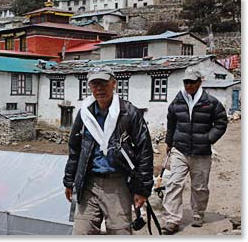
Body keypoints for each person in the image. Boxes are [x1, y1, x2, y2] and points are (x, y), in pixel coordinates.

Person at [63, 66, 154, 235]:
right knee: (81, 232)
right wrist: (69, 181)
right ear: (89, 87)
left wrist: (142, 189)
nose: (99, 88)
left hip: (117, 183)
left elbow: (144, 152)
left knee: (120, 232)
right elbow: (75, 149)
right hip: (89, 182)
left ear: (114, 84)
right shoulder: (84, 114)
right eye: (95, 84)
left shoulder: (129, 113)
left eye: (103, 83)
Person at [161, 69, 228, 235]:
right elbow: (171, 123)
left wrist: (208, 139)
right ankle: (172, 219)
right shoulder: (177, 102)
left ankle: (198, 214)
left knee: (200, 187)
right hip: (180, 150)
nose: (188, 85)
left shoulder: (210, 102)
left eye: (192, 82)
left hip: (201, 152)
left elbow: (221, 122)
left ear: (200, 82)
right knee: (174, 183)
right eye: (186, 82)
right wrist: (169, 142)